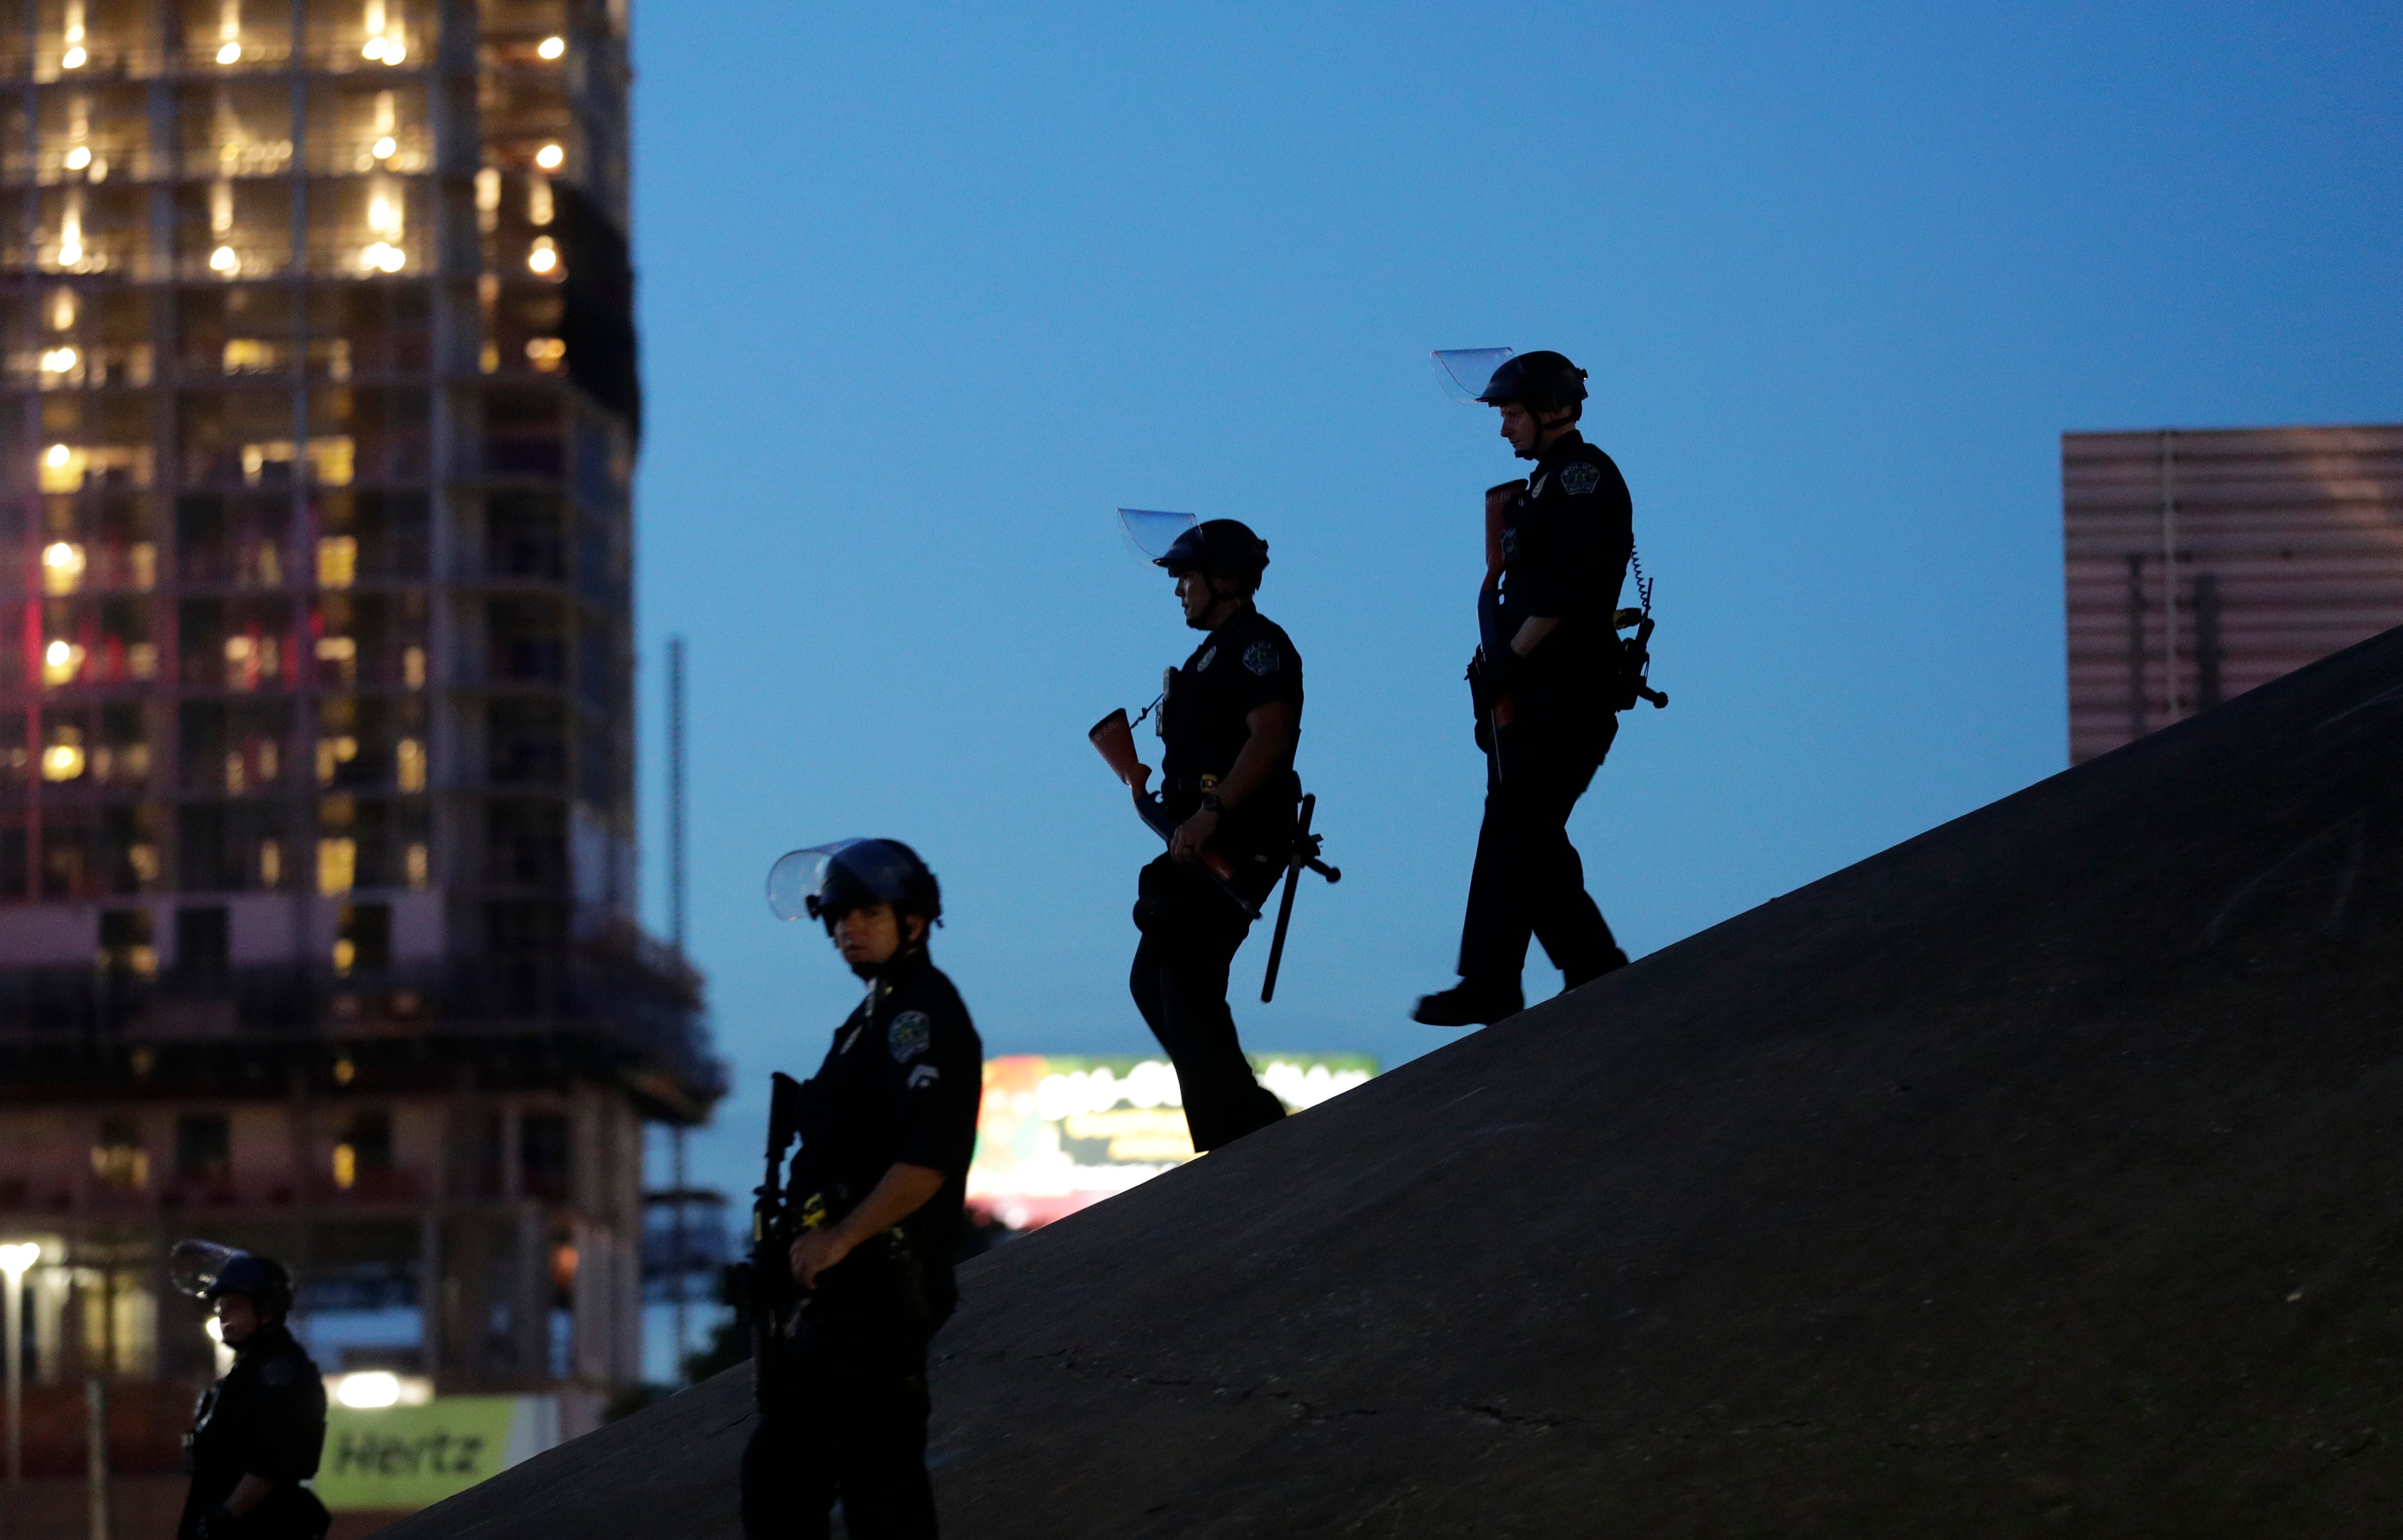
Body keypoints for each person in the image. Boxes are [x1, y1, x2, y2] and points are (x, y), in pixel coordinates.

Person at [745, 838, 983, 1540]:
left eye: (868, 913)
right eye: (840, 916)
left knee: (881, 1490)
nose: (848, 928)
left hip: (878, 1288)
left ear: (912, 920)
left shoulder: (920, 1013)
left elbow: (929, 1157)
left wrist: (842, 1236)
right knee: (780, 1481)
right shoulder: (872, 1017)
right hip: (838, 1297)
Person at [1414, 350, 1634, 1028]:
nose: (1504, 428)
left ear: (1548, 411)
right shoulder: (1545, 484)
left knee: (1515, 827)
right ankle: (1591, 962)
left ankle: (1491, 983)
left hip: (1568, 691)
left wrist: (1510, 659)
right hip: (1536, 693)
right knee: (1528, 832)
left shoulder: (1579, 476)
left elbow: (1566, 590)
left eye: (1512, 414)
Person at [1130, 519, 1299, 1151]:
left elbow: (1272, 739)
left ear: (1224, 579)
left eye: (1187, 577)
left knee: (1185, 973)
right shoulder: (1211, 653)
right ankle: (1243, 1110)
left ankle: (1233, 1133)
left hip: (1235, 839)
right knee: (1155, 979)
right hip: (1197, 842)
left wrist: (1211, 812)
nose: (1178, 589)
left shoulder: (1259, 645)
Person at [168, 1242, 330, 1540]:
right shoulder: (246, 1372)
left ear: (267, 1310)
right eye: (220, 1307)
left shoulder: (282, 1376)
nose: (222, 1314)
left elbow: (273, 1463)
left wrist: (226, 1515)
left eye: (234, 1305)